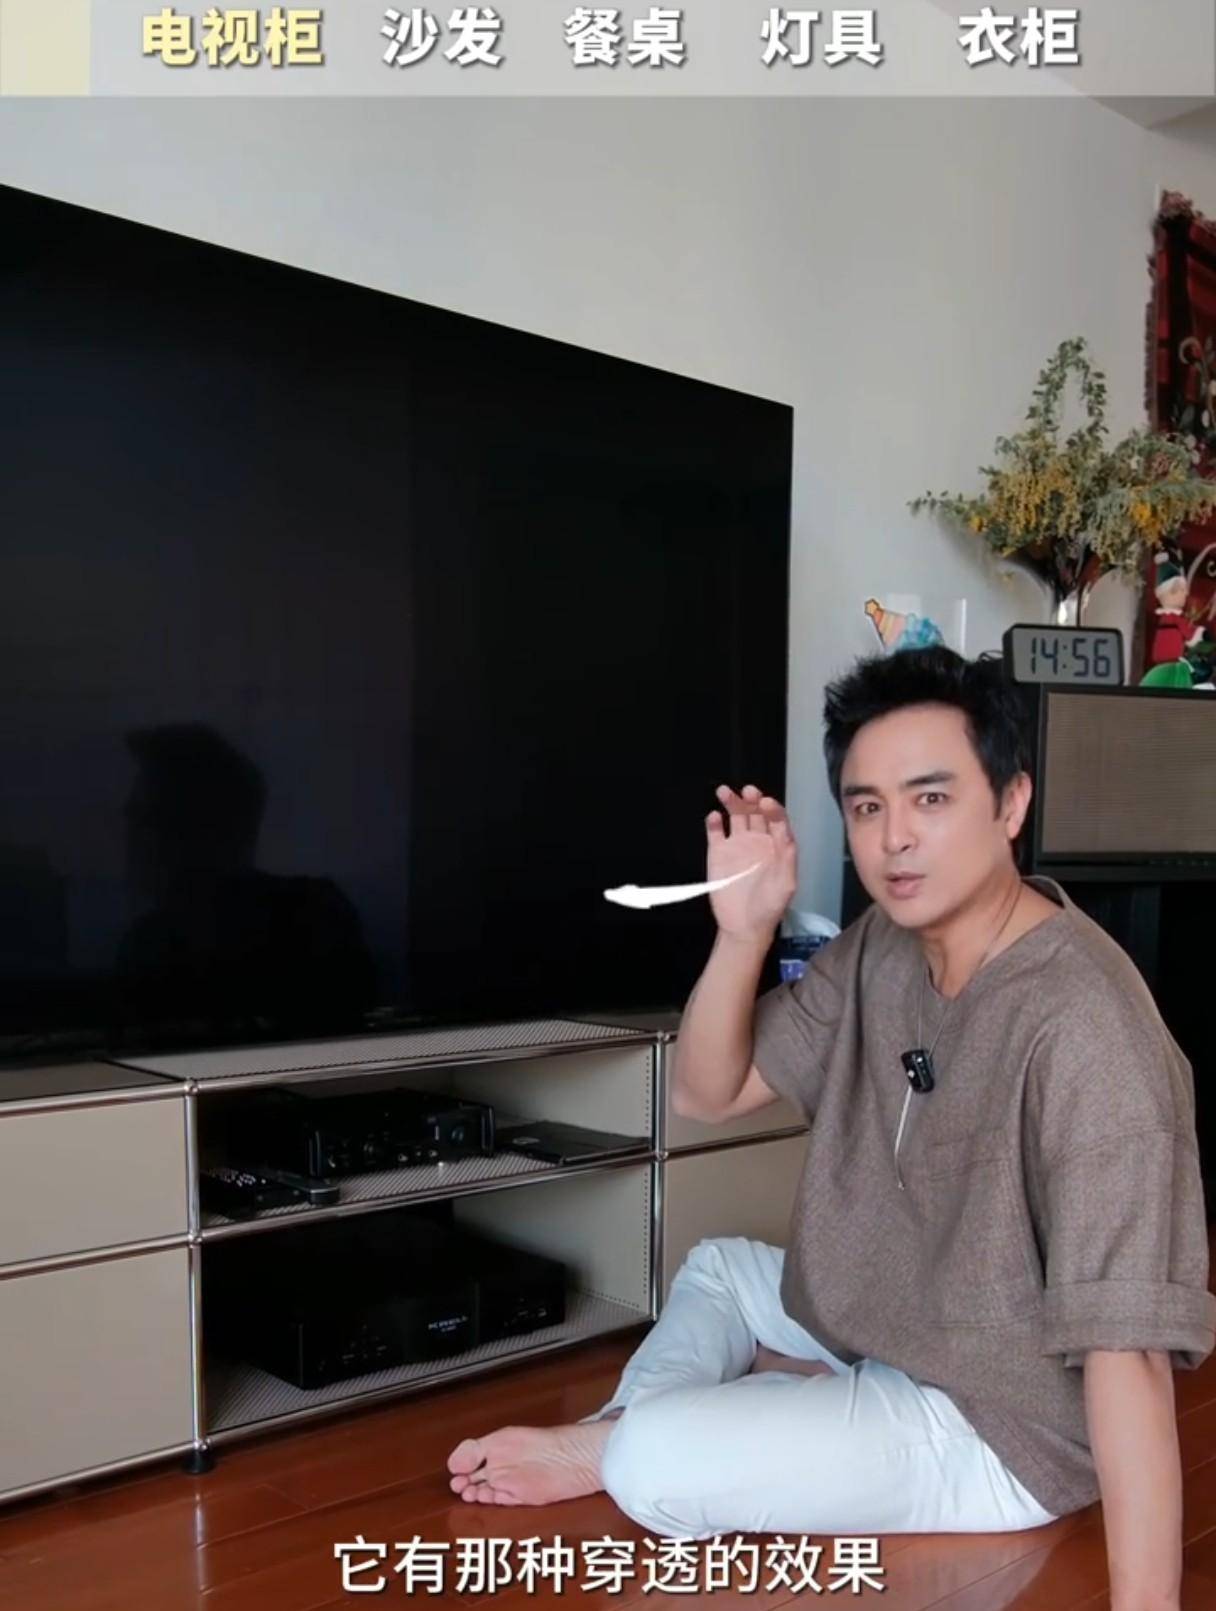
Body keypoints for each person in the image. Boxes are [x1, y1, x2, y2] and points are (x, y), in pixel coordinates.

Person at [447, 648, 1214, 1611]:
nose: (896, 838)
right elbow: (709, 1091)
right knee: (717, 1269)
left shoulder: (1090, 1030)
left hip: (996, 1423)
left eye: (931, 798)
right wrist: (743, 930)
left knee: (652, 1464)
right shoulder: (881, 947)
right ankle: (687, 1414)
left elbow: (1127, 1353)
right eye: (867, 806)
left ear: (1012, 802)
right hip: (887, 1323)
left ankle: (633, 1437)